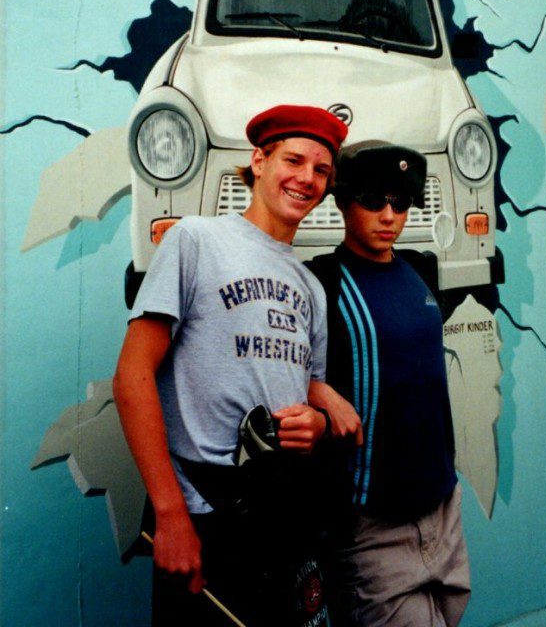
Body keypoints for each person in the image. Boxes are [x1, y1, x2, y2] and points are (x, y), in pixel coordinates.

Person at [113, 104, 353, 627]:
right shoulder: (195, 240)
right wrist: (171, 514)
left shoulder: (311, 287)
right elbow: (132, 375)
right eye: (294, 160)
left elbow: (300, 379)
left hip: (279, 518)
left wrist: (316, 420)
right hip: (202, 514)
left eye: (321, 171)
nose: (307, 178)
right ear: (259, 161)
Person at [307, 140, 471, 627]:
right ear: (342, 201)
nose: (389, 215)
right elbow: (279, 367)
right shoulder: (322, 282)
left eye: (401, 203)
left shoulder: (420, 271)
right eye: (374, 200)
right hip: (374, 521)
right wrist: (318, 391)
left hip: (442, 506)